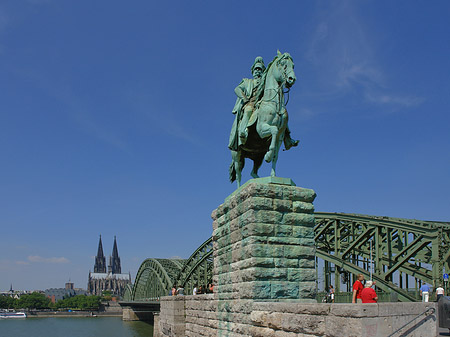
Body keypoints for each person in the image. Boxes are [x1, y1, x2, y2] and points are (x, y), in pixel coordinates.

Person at [228, 56, 266, 151]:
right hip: (250, 103)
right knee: (248, 110)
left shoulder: (266, 83)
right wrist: (244, 98)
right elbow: (237, 89)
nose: (258, 71)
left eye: (260, 69)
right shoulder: (247, 81)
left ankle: (287, 137)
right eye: (256, 69)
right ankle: (242, 133)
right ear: (253, 71)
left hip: (262, 104)